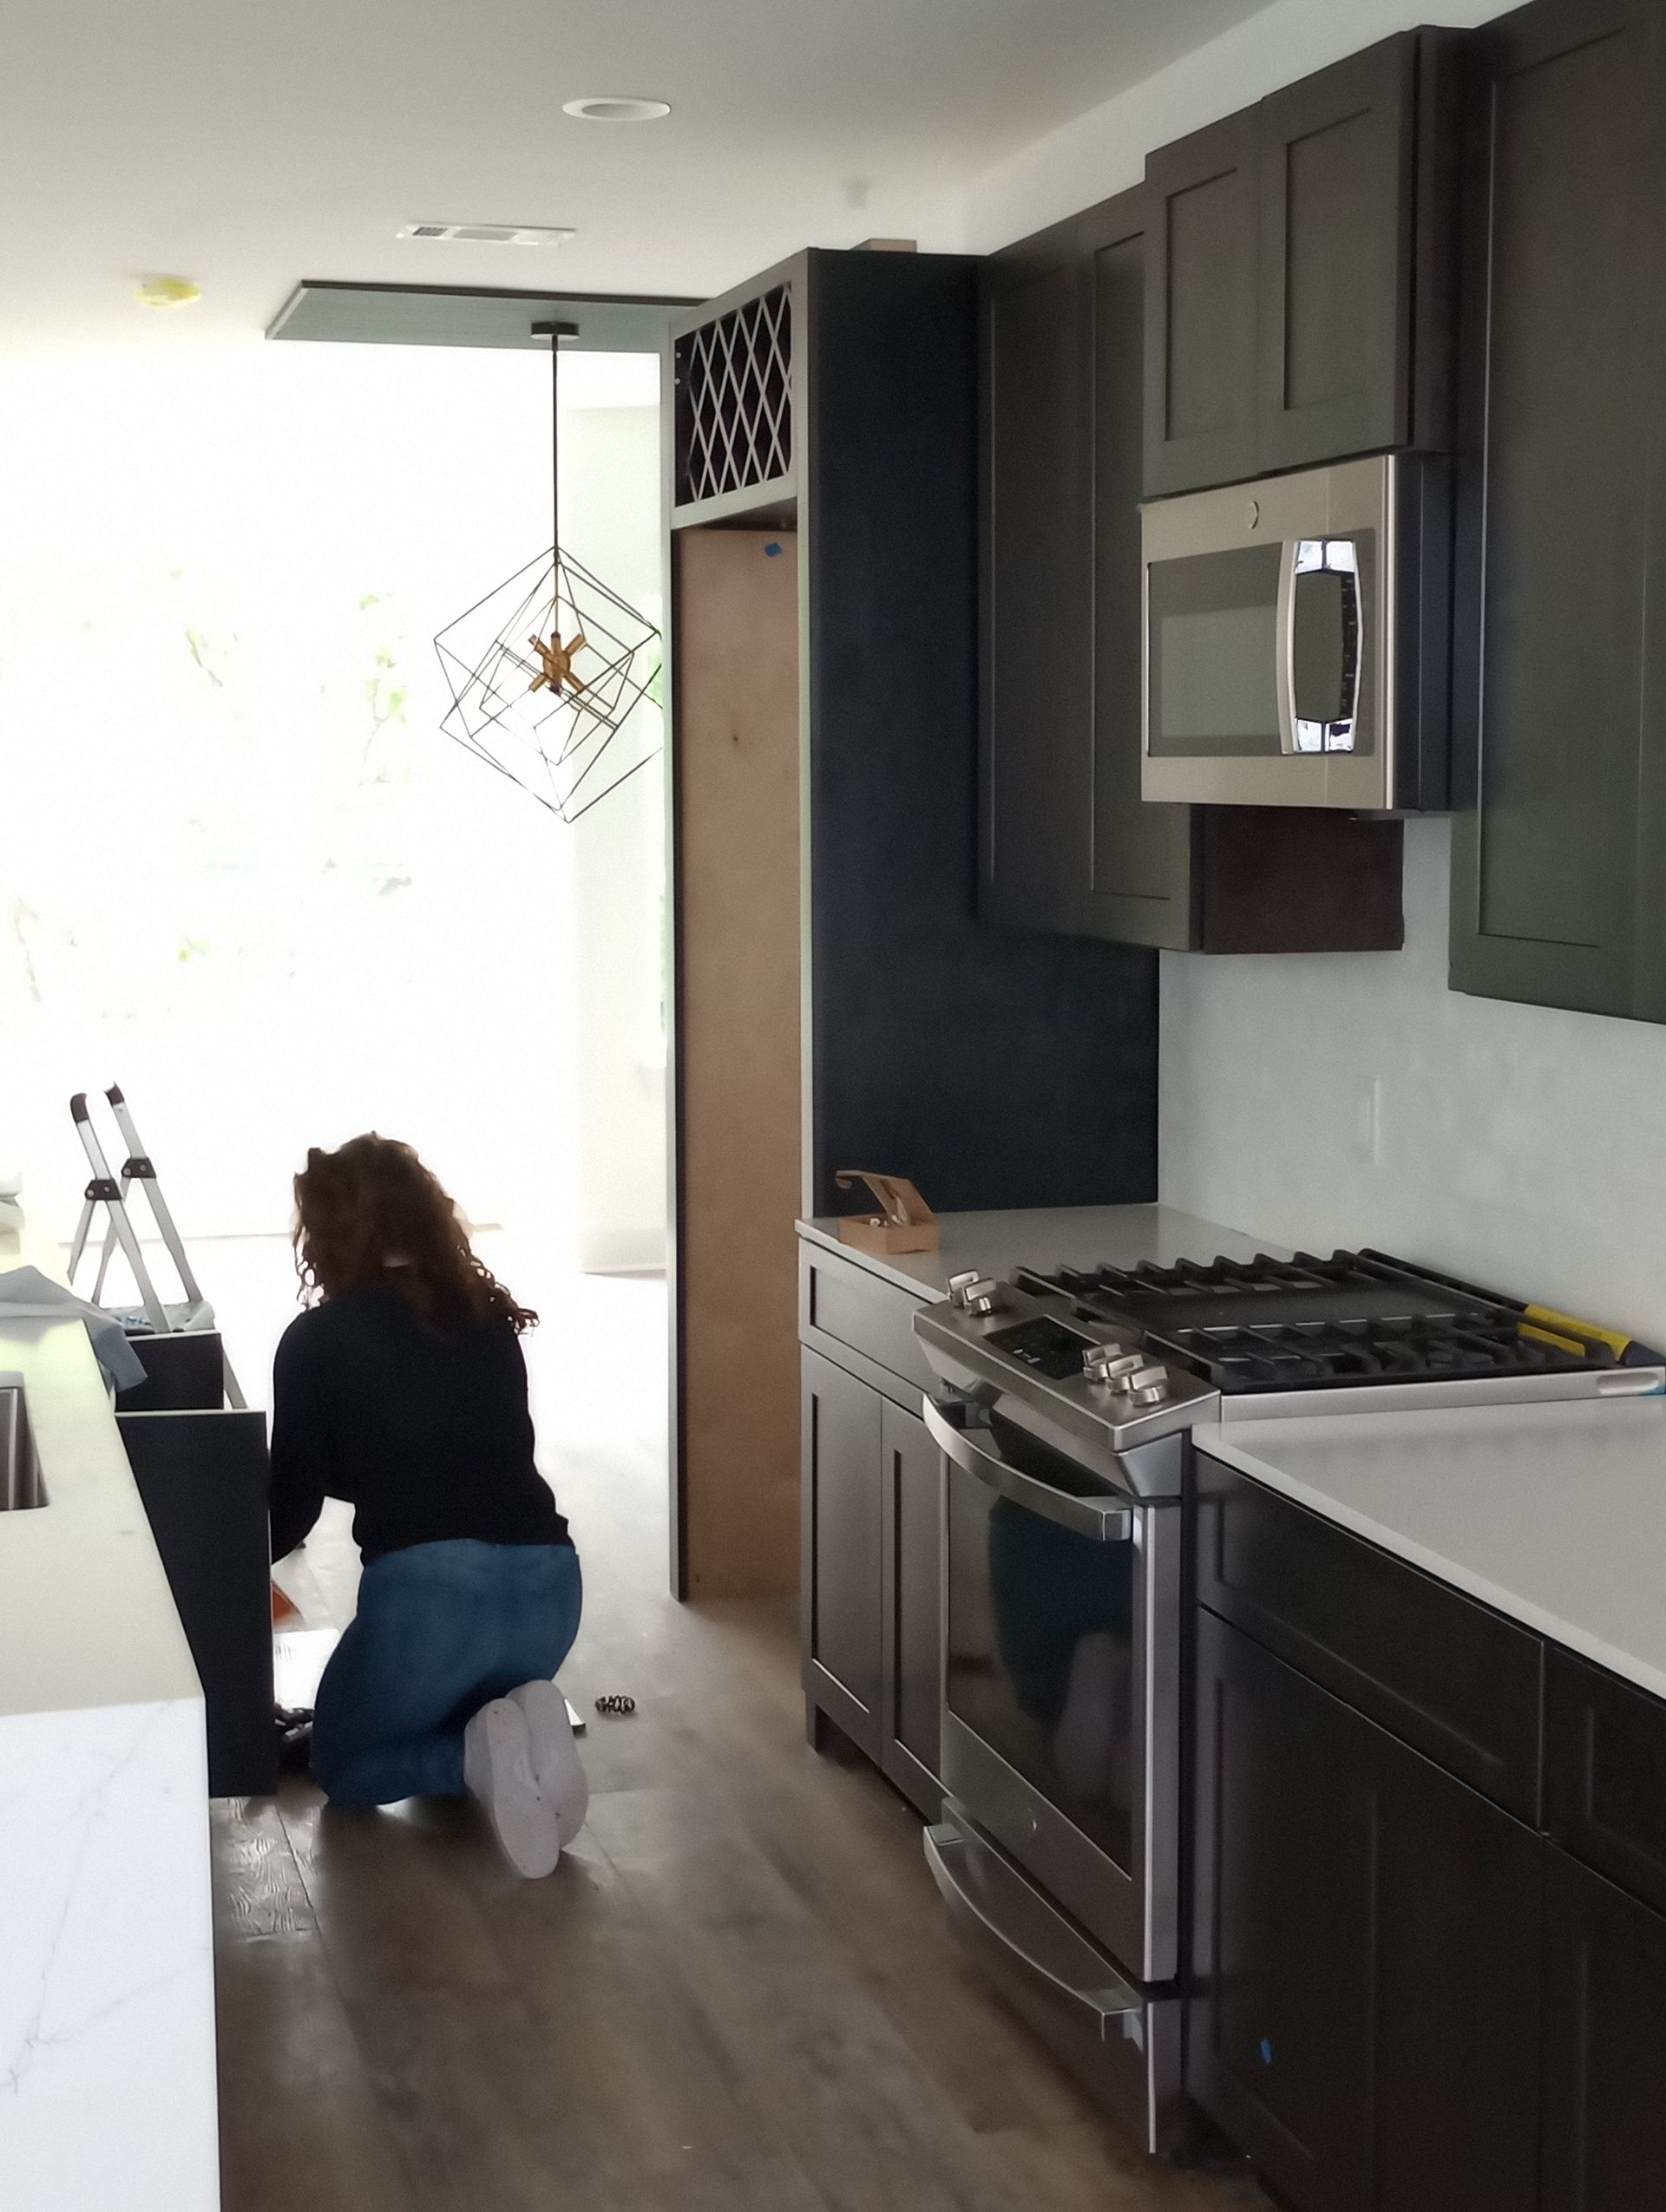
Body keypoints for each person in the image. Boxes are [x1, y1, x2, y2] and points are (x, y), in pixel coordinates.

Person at [268, 1134, 586, 1878]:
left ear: (330, 1233)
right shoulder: (485, 1317)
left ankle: (472, 1758)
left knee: (345, 1765)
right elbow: (455, 1449)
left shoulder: (316, 1340)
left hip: (431, 1608)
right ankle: (531, 1734)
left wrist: (210, 1571)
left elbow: (291, 1510)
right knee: (459, 1694)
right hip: (550, 1594)